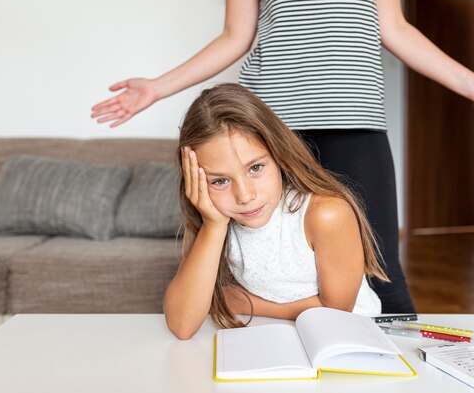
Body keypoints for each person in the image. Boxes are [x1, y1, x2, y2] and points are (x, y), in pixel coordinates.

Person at [90, 0, 474, 313]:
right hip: (275, 127)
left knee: (380, 267)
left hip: (355, 121)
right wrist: (158, 87)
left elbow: (395, 27)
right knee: (256, 253)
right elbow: (236, 36)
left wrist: (473, 84)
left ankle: (405, 376)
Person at [164, 83, 387, 339]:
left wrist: (245, 303)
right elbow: (182, 326)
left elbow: (335, 311)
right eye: (220, 181)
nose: (245, 196)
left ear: (279, 155)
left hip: (345, 337)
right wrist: (213, 226)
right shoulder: (218, 218)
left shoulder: (326, 214)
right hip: (269, 336)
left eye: (256, 168)